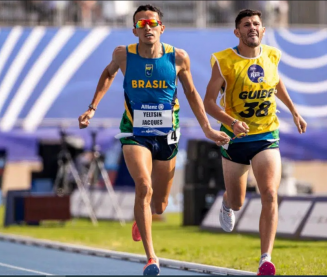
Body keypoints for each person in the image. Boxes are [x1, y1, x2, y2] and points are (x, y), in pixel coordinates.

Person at [78, 4, 229, 276]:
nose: (148, 28)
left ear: (162, 27)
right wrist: (92, 107)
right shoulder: (123, 55)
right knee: (144, 186)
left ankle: (142, 217)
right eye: (142, 24)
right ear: (135, 29)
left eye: (153, 23)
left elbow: (193, 93)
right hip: (135, 133)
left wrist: (207, 128)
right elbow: (108, 74)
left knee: (159, 204)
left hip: (167, 135)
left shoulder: (178, 57)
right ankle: (151, 258)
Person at [203, 9, 307, 276]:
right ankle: (227, 203)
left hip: (266, 136)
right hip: (235, 139)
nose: (252, 27)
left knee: (270, 194)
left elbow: (276, 82)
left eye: (256, 24)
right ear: (237, 32)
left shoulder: (272, 55)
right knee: (238, 201)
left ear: (263, 30)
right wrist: (231, 121)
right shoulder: (223, 61)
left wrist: (294, 111)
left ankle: (265, 258)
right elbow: (208, 103)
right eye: (246, 24)